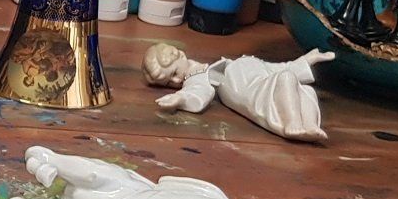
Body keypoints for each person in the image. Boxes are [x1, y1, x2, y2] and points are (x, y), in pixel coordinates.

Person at [142, 43, 335, 142]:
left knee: (306, 90)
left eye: (174, 73)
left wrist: (308, 59)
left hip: (261, 78)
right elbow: (198, 90)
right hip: (249, 90)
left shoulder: (219, 65)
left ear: (181, 55)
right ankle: (293, 124)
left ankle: (310, 126)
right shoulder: (198, 75)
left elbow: (280, 67)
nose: (176, 81)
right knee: (286, 78)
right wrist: (180, 98)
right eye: (169, 82)